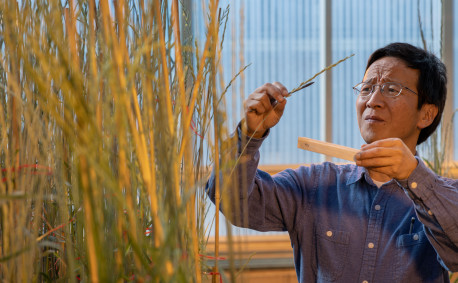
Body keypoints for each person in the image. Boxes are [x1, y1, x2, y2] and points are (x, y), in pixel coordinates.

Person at [206, 42, 458, 282]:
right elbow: (228, 199)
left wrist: (413, 177)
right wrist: (249, 135)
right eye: (367, 88)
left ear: (426, 114)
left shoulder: (444, 199)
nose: (372, 101)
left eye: (391, 89)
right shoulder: (315, 185)